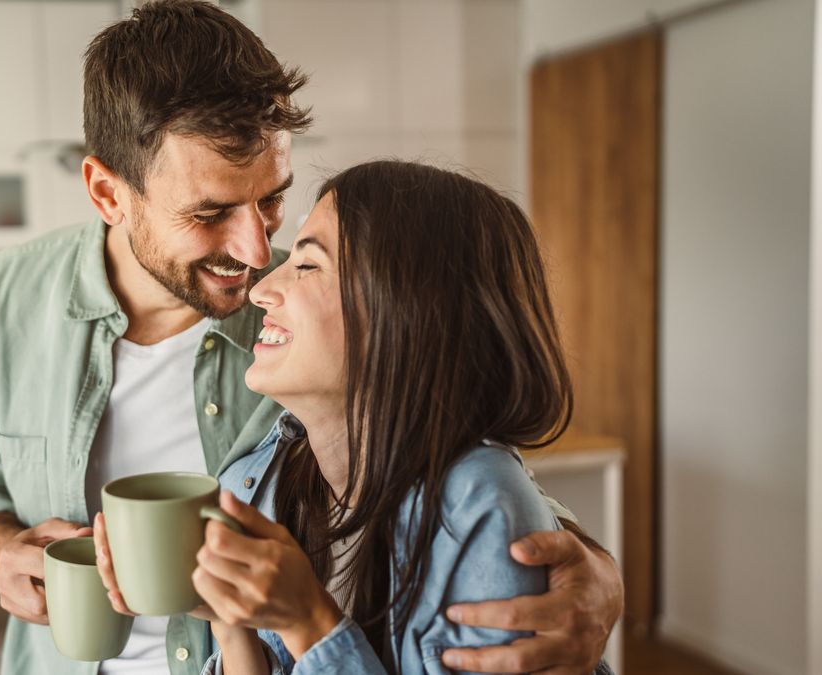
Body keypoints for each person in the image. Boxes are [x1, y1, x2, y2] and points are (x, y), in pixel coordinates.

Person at [0, 2, 623, 674]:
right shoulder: (2, 300)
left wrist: (589, 568)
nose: (258, 251)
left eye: (270, 199)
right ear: (108, 193)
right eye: (211, 213)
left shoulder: (316, 317)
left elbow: (442, 459)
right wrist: (0, 551)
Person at [98, 160, 614, 674]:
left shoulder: (476, 506)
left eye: (307, 265)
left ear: (406, 309)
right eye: (208, 211)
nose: (259, 290)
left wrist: (308, 622)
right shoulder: (258, 485)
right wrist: (230, 622)